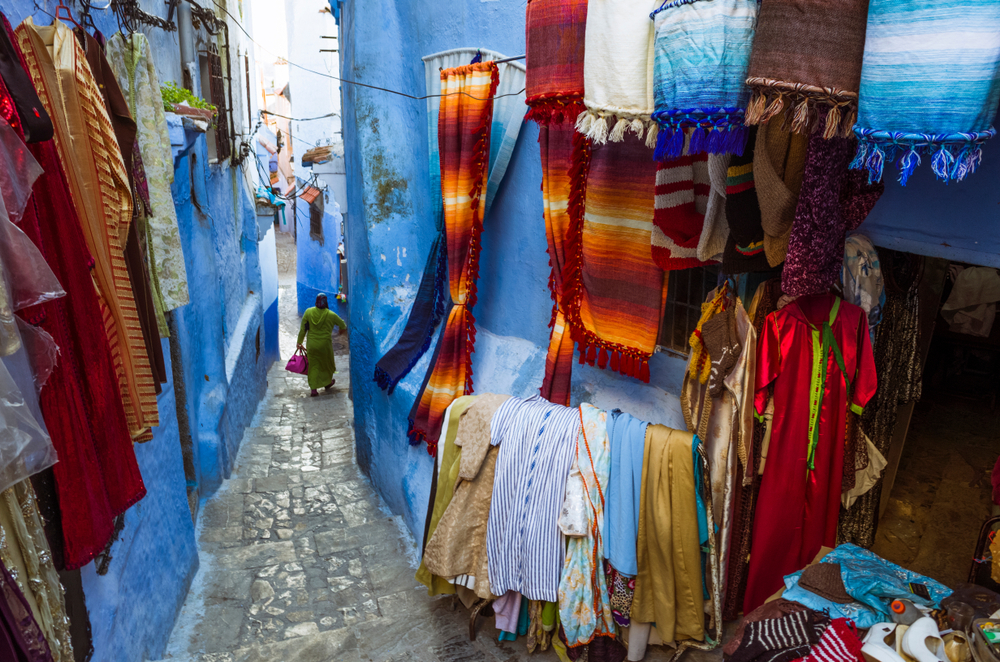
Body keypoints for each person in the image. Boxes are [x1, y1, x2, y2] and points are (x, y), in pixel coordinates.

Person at [296, 293, 347, 397]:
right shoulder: (331, 315)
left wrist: (299, 342)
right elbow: (343, 325)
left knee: (313, 366)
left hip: (312, 345)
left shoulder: (308, 312)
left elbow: (303, 330)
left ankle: (313, 389)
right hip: (325, 345)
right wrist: (340, 332)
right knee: (326, 364)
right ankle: (327, 383)